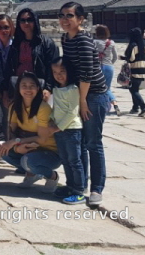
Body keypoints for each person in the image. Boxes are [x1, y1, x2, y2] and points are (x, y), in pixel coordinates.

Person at [59, 2, 108, 208]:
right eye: (62, 15)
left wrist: (82, 101)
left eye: (69, 15)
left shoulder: (84, 40)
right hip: (78, 94)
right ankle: (79, 185)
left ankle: (97, 188)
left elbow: (87, 72)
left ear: (80, 19)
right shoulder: (65, 38)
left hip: (93, 95)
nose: (65, 19)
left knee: (92, 143)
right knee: (78, 143)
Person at [0, 72, 61, 193]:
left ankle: (52, 176)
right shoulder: (14, 106)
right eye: (24, 85)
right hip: (29, 147)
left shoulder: (43, 108)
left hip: (49, 152)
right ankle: (32, 174)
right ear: (18, 88)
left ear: (38, 88)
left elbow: (42, 139)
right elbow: (12, 134)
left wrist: (17, 141)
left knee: (27, 161)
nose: (28, 89)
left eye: (32, 86)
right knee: (2, 151)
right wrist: (17, 148)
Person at [48, 60, 86, 205]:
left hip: (72, 130)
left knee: (75, 161)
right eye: (55, 72)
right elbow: (56, 108)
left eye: (62, 72)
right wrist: (52, 119)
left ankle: (79, 191)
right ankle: (70, 186)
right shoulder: (57, 89)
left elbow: (72, 112)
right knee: (65, 160)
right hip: (59, 130)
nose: (59, 75)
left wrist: (58, 127)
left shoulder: (73, 89)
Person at [4, 8, 59, 103]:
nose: (26, 23)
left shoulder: (46, 43)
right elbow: (9, 67)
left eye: (30, 20)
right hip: (19, 86)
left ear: (35, 21)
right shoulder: (16, 43)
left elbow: (52, 67)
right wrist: (6, 90)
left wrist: (48, 88)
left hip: (38, 86)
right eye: (22, 20)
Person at [121, 27, 145, 117]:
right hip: (143, 70)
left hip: (134, 70)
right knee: (135, 88)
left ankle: (144, 107)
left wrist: (123, 58)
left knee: (133, 90)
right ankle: (135, 107)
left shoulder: (133, 46)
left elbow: (131, 59)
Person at [93, 24, 120, 116]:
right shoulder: (111, 42)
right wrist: (110, 63)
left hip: (98, 67)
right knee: (107, 88)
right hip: (109, 67)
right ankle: (114, 103)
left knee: (99, 88)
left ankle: (105, 105)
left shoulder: (94, 42)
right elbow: (115, 57)